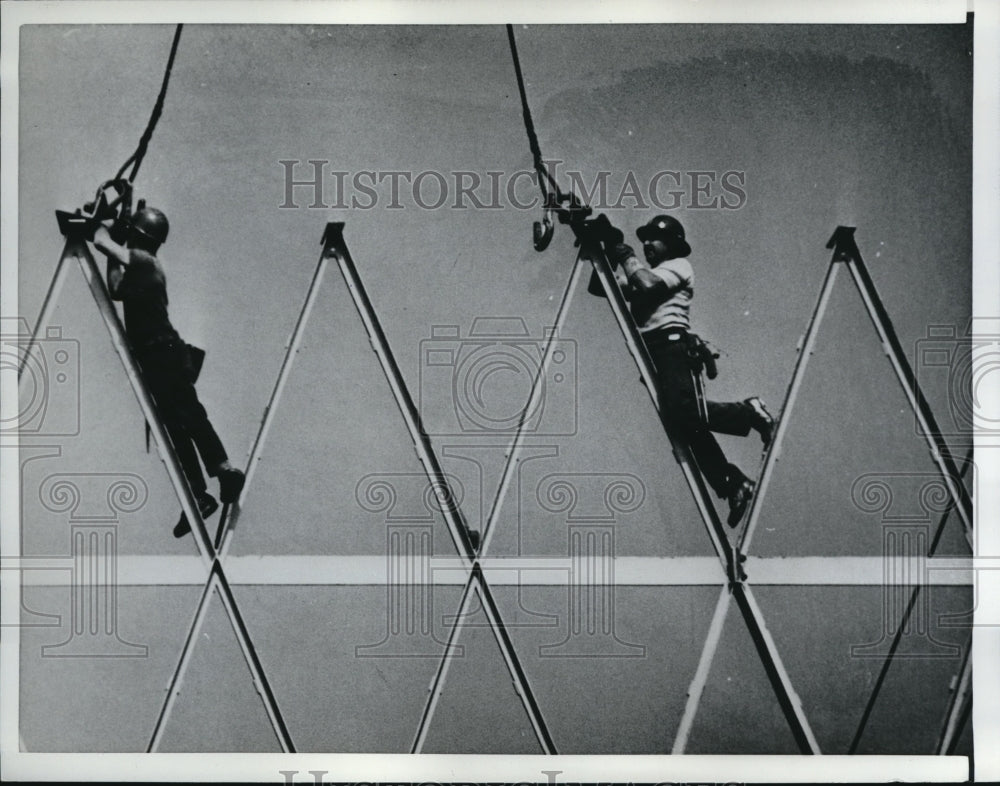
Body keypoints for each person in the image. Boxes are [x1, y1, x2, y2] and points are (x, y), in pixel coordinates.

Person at [591, 214, 774, 527]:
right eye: (644, 238)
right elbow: (601, 286)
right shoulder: (642, 273)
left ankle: (749, 412)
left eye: (655, 238)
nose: (647, 243)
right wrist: (606, 245)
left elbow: (647, 285)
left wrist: (623, 251)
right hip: (657, 355)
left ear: (673, 244)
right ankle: (731, 483)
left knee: (686, 415)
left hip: (673, 346)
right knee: (688, 428)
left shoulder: (676, 267)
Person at [93, 207, 245, 538]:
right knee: (177, 424)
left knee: (188, 415)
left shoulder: (145, 261)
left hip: (164, 351)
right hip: (159, 353)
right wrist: (112, 239)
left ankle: (223, 470)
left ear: (139, 236)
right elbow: (116, 288)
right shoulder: (139, 266)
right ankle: (197, 492)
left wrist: (103, 228)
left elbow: (102, 242)